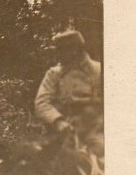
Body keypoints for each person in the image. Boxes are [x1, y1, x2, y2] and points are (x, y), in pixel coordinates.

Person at [34, 29, 104, 162]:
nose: (59, 55)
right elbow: (41, 103)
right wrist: (58, 121)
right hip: (64, 133)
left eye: (62, 51)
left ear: (76, 50)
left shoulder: (99, 71)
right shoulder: (54, 74)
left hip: (96, 131)